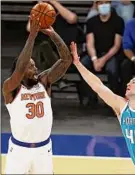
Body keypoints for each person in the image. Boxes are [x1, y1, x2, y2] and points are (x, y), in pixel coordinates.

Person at [2, 15, 72, 174]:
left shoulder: (44, 82)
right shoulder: (10, 87)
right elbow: (20, 67)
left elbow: (66, 60)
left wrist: (53, 35)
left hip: (43, 150)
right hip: (19, 151)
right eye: (31, 67)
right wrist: (32, 35)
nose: (36, 69)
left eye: (35, 66)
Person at [70, 41, 135, 165]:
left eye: (133, 82)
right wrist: (78, 64)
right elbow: (98, 86)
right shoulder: (122, 107)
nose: (128, 84)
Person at [81, 0, 124, 106]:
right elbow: (90, 43)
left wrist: (103, 60)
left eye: (106, 2)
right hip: (95, 54)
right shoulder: (91, 21)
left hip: (111, 54)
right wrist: (95, 59)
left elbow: (116, 45)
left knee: (112, 69)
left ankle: (112, 99)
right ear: (96, 6)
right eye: (100, 3)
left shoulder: (118, 21)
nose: (104, 5)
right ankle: (91, 97)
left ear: (110, 4)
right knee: (83, 65)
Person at [121, 18, 135, 96]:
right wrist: (134, 59)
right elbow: (126, 47)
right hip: (133, 56)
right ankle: (127, 97)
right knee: (125, 66)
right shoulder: (131, 24)